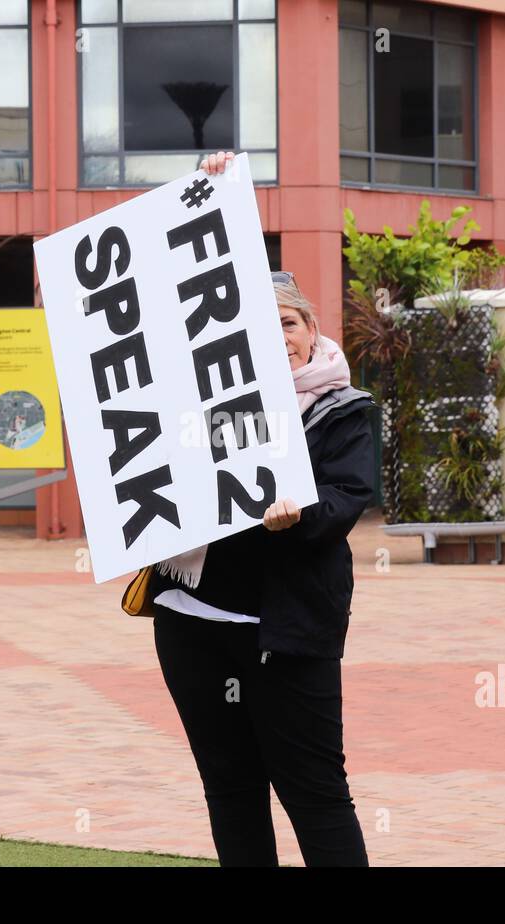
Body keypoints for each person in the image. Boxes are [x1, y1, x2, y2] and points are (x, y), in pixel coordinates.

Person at [146, 150, 372, 867]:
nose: (276, 336)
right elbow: (173, 291)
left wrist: (296, 514)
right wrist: (207, 191)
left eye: (288, 322)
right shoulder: (194, 399)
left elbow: (346, 498)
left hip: (284, 632)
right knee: (230, 788)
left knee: (313, 790)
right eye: (257, 324)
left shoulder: (344, 409)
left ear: (310, 329)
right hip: (192, 622)